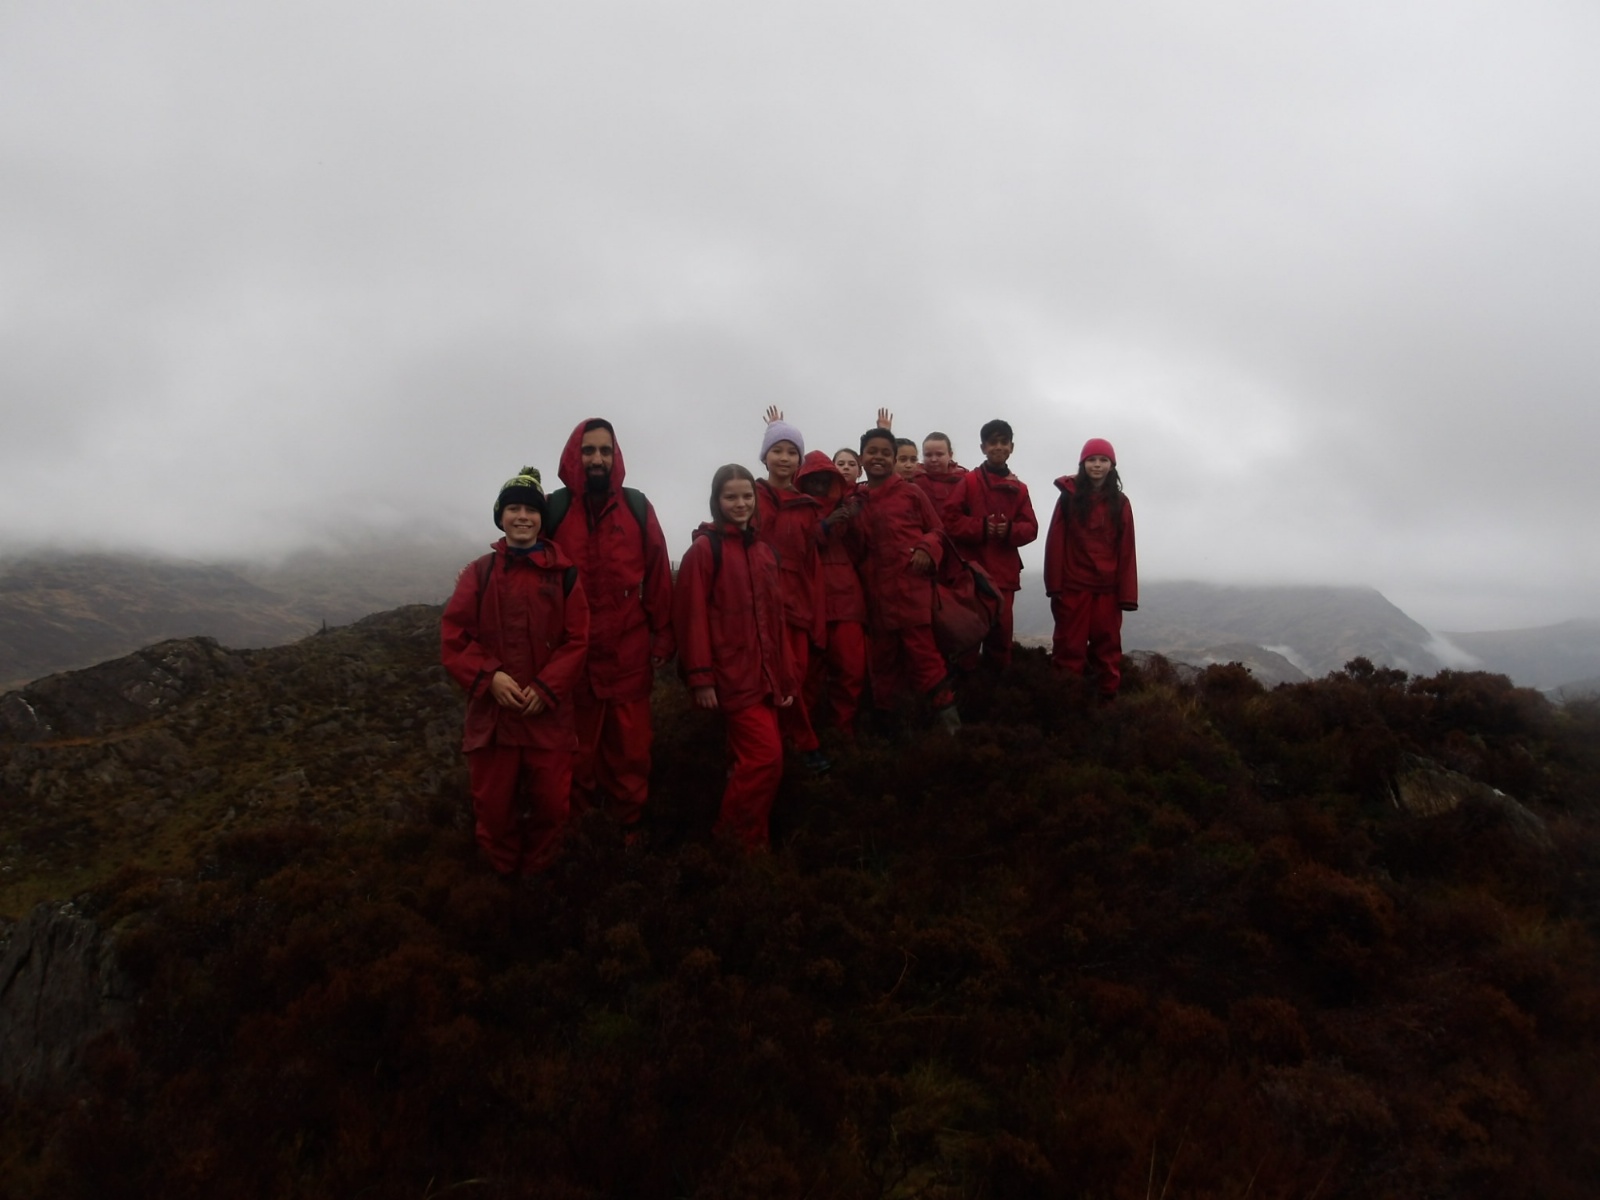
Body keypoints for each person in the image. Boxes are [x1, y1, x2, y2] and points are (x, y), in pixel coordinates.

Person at [441, 467, 589, 876]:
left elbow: (577, 640)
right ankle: (499, 891)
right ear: (500, 516)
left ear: (542, 518)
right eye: (513, 509)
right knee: (493, 813)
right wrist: (490, 678)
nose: (522, 517)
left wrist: (546, 688)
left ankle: (541, 889)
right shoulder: (479, 573)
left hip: (548, 720)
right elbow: (454, 636)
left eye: (531, 510)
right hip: (494, 721)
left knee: (552, 811)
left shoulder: (565, 575)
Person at [545, 418, 675, 833]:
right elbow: (525, 561)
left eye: (605, 450)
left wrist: (663, 636)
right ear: (574, 455)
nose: (597, 459)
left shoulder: (637, 508)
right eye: (588, 451)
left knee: (630, 756)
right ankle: (578, 841)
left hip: (627, 657)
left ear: (615, 456)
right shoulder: (554, 510)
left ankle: (627, 837)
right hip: (573, 661)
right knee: (575, 757)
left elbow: (658, 574)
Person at [673, 464, 798, 850]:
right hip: (732, 676)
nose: (740, 503)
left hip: (764, 677)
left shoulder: (765, 552)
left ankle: (750, 845)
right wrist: (701, 678)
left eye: (747, 496)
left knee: (746, 761)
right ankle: (734, 842)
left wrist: (785, 678)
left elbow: (776, 621)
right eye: (731, 497)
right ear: (717, 501)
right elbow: (691, 617)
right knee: (765, 759)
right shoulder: (703, 551)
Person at [852, 428, 961, 730]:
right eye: (872, 452)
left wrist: (927, 548)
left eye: (886, 453)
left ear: (894, 459)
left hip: (911, 594)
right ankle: (893, 733)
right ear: (861, 458)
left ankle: (951, 730)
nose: (878, 457)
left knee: (926, 660)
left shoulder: (911, 493)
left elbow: (937, 530)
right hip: (876, 599)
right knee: (883, 666)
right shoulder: (855, 500)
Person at [754, 417, 830, 773]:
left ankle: (790, 743)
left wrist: (817, 617)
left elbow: (812, 564)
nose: (784, 458)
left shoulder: (807, 508)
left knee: (794, 676)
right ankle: (800, 744)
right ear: (764, 456)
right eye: (777, 450)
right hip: (758, 605)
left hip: (797, 605)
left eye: (791, 452)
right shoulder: (751, 496)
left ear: (800, 460)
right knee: (761, 680)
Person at [1043, 437, 1138, 699]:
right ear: (1082, 464)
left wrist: (1127, 595)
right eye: (1091, 460)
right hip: (1073, 587)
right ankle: (1066, 701)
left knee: (1107, 649)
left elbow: (1127, 550)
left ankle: (1106, 703)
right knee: (1068, 647)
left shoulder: (1121, 503)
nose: (1097, 465)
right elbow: (1055, 542)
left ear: (1112, 465)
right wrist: (1054, 586)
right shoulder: (1068, 498)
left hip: (1107, 590)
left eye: (1103, 460)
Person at [942, 419, 1038, 668]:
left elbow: (1031, 529)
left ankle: (998, 688)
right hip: (971, 574)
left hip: (1004, 575)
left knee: (1001, 636)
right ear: (983, 447)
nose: (998, 447)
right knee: (968, 636)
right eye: (992, 442)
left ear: (1011, 447)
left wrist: (1010, 531)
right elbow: (949, 521)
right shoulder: (970, 482)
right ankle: (966, 686)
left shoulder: (1020, 489)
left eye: (1003, 442)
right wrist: (982, 527)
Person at [797, 451, 868, 740]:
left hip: (846, 600)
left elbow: (863, 546)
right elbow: (793, 546)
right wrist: (826, 525)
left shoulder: (850, 505)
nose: (819, 485)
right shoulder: (797, 509)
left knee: (851, 669)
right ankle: (805, 738)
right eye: (813, 480)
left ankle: (843, 733)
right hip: (809, 602)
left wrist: (854, 519)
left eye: (825, 480)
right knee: (807, 675)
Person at [913, 431, 968, 525]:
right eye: (928, 455)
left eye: (939, 454)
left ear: (950, 455)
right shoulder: (914, 480)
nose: (933, 459)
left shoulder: (964, 480)